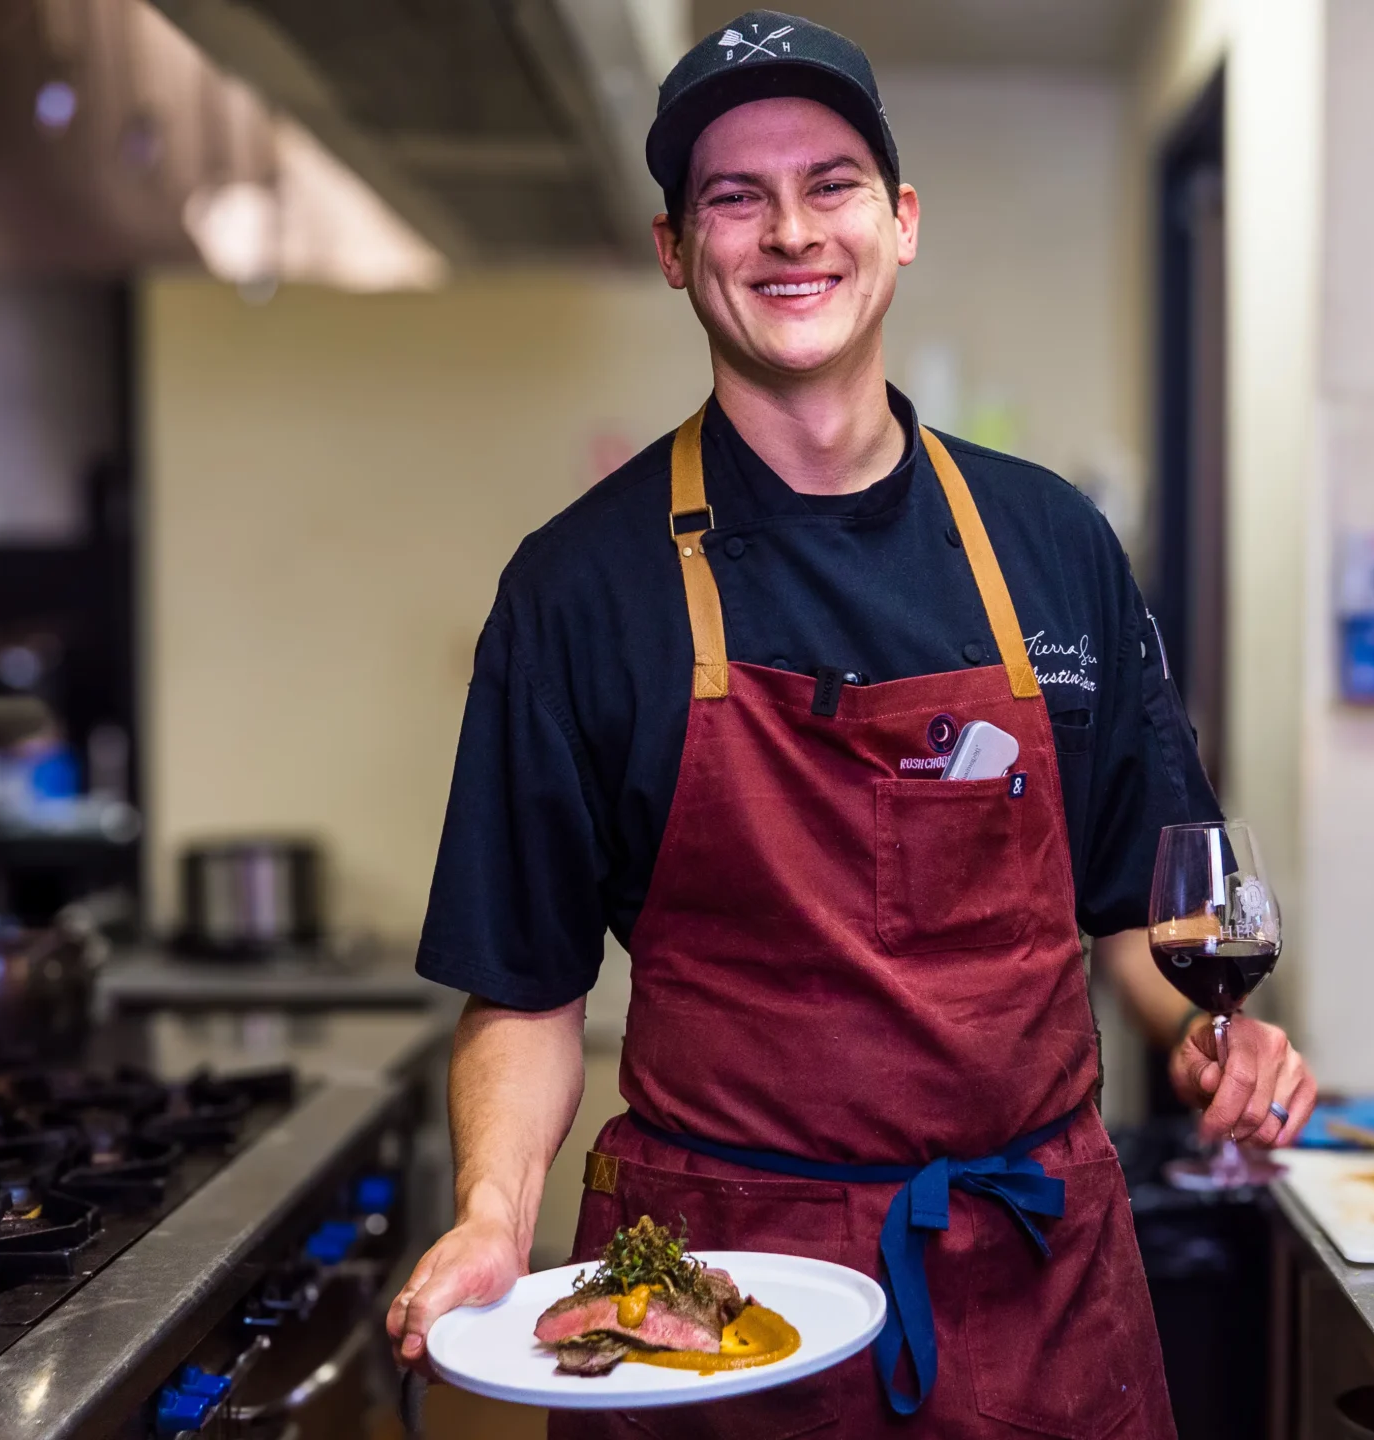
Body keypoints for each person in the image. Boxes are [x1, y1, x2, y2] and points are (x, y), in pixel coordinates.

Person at [385, 11, 1316, 1433]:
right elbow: (526, 987)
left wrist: (1205, 1033)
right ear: (673, 249)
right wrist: (496, 1212)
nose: (788, 234)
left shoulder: (1052, 544)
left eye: (829, 186)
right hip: (708, 1297)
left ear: (902, 221)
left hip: (1033, 1282)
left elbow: (1140, 905)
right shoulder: (578, 589)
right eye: (734, 199)